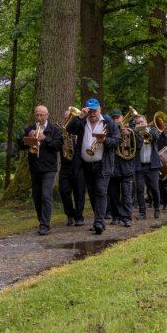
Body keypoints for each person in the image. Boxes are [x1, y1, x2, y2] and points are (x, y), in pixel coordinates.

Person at [66, 98, 120, 235]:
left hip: (103, 164)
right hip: (85, 164)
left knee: (101, 191)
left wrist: (105, 140)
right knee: (92, 193)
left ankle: (99, 222)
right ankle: (99, 219)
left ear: (100, 109)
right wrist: (80, 116)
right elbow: (69, 129)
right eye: (89, 111)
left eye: (94, 110)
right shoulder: (82, 121)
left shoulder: (109, 123)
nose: (92, 114)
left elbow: (117, 141)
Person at [18, 105, 63, 235]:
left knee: (46, 195)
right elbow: (21, 146)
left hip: (49, 168)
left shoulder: (54, 130)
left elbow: (58, 146)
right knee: (37, 196)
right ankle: (41, 221)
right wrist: (28, 139)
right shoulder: (30, 128)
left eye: (42, 115)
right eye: (37, 115)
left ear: (47, 115)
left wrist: (45, 139)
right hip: (35, 167)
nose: (39, 117)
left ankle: (45, 225)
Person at [107, 109, 139, 227]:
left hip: (126, 167)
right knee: (114, 195)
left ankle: (127, 218)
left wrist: (130, 134)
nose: (116, 120)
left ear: (122, 118)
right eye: (113, 118)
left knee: (126, 195)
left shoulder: (131, 131)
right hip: (113, 167)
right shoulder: (108, 131)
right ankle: (116, 216)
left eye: (118, 118)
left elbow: (139, 145)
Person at [59, 108, 86, 227]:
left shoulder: (81, 129)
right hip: (65, 166)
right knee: (64, 191)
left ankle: (79, 216)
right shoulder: (60, 131)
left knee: (79, 193)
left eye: (72, 117)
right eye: (67, 118)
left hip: (79, 166)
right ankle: (70, 215)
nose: (69, 120)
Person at [134, 114, 162, 218]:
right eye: (138, 123)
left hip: (152, 165)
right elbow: (137, 144)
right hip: (140, 166)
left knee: (154, 188)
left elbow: (155, 137)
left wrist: (145, 131)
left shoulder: (153, 130)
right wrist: (138, 132)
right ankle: (142, 212)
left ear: (146, 122)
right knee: (140, 189)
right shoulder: (135, 133)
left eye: (141, 122)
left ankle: (157, 208)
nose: (140, 124)